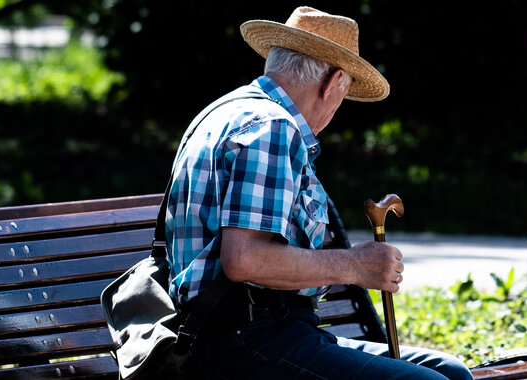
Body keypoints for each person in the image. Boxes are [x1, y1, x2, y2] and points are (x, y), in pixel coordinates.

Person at [165, 6, 473, 379]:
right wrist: (354, 265)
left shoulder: (224, 111)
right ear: (334, 82)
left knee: (449, 371)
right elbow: (244, 259)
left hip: (247, 335)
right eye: (345, 95)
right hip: (242, 342)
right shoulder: (273, 127)